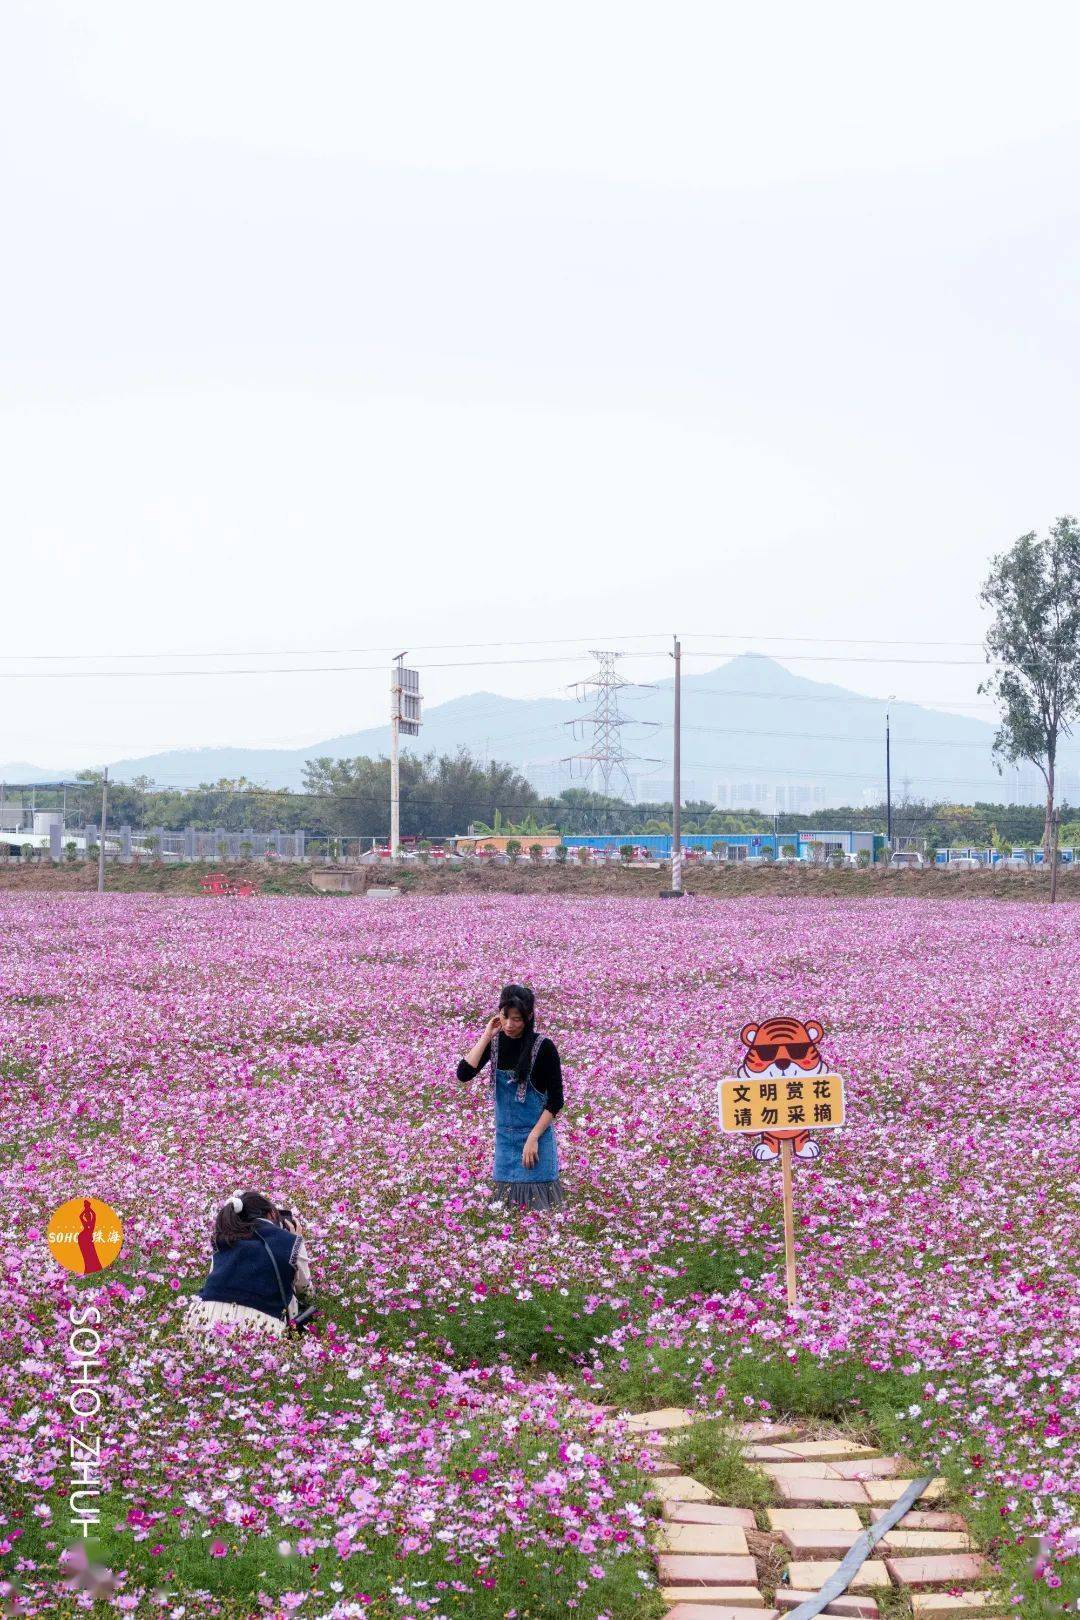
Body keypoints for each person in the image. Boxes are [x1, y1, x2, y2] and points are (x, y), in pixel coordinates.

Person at [457, 983, 566, 1209]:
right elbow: (464, 1074)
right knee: (507, 1212)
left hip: (536, 1142)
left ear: (528, 1017)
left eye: (516, 1019)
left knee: (540, 1212)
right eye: (504, 1016)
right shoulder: (495, 1043)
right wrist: (486, 1036)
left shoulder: (544, 1047)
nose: (509, 1024)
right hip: (505, 1141)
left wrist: (533, 1138)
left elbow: (556, 1101)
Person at [183, 1190, 314, 1340]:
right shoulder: (291, 1241)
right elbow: (305, 1292)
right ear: (271, 1213)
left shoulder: (225, 1237)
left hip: (202, 1319)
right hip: (258, 1325)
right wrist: (296, 1239)